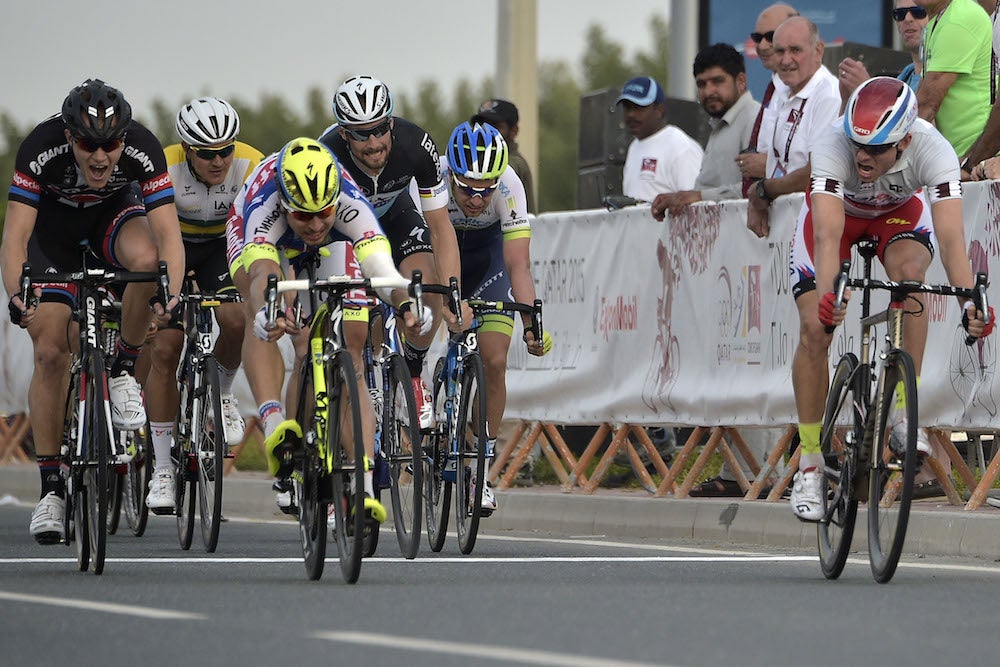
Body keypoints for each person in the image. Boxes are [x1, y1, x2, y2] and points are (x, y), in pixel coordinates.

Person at [787, 77, 993, 520]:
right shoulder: (831, 145)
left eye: (877, 149)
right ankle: (809, 464)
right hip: (838, 221)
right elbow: (826, 236)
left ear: (906, 141)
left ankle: (903, 413)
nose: (863, 156)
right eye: (858, 145)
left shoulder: (933, 150)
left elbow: (953, 241)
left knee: (912, 277)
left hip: (896, 217)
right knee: (813, 331)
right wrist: (829, 298)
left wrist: (969, 306)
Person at [1, 79, 184, 543]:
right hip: (52, 238)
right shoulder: (39, 148)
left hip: (112, 222)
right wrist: (18, 295)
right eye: (87, 145)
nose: (101, 157)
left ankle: (122, 365)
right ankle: (52, 490)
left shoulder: (143, 147)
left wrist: (172, 293)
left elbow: (169, 237)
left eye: (111, 144)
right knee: (49, 352)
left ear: (125, 136)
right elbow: (16, 237)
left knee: (145, 262)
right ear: (68, 137)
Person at [226, 137, 432, 524]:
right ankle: (277, 431)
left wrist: (406, 304)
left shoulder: (349, 199)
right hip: (263, 243)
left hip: (334, 246)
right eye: (305, 216)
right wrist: (269, 309)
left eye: (324, 213)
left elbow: (382, 270)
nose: (317, 224)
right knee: (268, 320)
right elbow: (262, 275)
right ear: (287, 205)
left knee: (350, 355)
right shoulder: (266, 202)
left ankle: (363, 486)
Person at [318, 75, 463, 433]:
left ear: (391, 123)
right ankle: (367, 373)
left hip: (397, 217)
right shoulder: (327, 153)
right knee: (357, 310)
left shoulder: (416, 145)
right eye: (360, 133)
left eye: (379, 129)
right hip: (344, 228)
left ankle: (413, 374)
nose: (372, 143)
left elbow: (441, 226)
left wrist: (452, 291)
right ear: (344, 134)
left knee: (427, 288)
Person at [139, 97, 264, 512]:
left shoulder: (250, 164)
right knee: (166, 348)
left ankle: (224, 395)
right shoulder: (164, 165)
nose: (219, 160)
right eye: (208, 153)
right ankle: (161, 469)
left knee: (234, 318)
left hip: (221, 249)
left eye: (226, 149)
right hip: (172, 246)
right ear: (187, 149)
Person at [441, 121, 552, 512]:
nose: (476, 198)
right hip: (443, 253)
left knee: (495, 359)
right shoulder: (433, 181)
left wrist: (530, 325)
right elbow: (425, 249)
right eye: (467, 188)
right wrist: (448, 300)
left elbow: (518, 264)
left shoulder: (509, 186)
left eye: (485, 189)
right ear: (451, 173)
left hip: (488, 261)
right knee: (416, 325)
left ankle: (480, 469)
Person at [745, 15, 840, 239]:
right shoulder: (783, 93)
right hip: (783, 230)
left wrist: (763, 191)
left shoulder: (829, 95)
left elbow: (815, 173)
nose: (786, 60)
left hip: (814, 228)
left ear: (818, 50)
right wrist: (758, 198)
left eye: (795, 50)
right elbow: (778, 163)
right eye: (780, 52)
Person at [651, 43, 760, 218]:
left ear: (741, 81)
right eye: (701, 84)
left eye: (717, 81)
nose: (708, 91)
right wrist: (680, 199)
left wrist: (698, 197)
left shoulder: (755, 119)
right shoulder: (720, 124)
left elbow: (757, 190)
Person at [914, 0, 992, 162]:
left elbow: (927, 103)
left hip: (978, 157)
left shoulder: (959, 18)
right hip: (962, 156)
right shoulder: (937, 21)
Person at [738, 2, 799, 194]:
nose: (762, 45)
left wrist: (768, 166)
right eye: (757, 38)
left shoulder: (816, 89)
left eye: (770, 37)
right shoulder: (774, 88)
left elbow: (818, 166)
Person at [617, 76, 704, 201]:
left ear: (659, 110)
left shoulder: (681, 147)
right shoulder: (634, 146)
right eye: (627, 107)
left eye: (639, 107)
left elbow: (696, 206)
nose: (631, 114)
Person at [837, 1, 930, 98]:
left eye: (919, 12)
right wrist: (847, 100)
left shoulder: (942, 73)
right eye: (900, 13)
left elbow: (919, 111)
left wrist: (867, 90)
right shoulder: (902, 80)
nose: (907, 19)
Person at [471, 99, 536, 214]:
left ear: (514, 131)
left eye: (495, 126)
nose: (486, 131)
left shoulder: (512, 164)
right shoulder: (476, 159)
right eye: (481, 125)